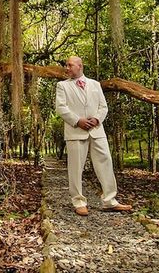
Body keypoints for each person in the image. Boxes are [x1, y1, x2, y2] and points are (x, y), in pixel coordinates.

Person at [55, 56, 132, 216]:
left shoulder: (95, 84)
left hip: (97, 131)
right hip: (76, 132)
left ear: (80, 66)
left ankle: (110, 201)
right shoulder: (62, 86)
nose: (66, 68)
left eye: (69, 65)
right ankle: (79, 201)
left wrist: (97, 118)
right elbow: (61, 108)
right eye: (66, 65)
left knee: (106, 162)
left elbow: (103, 107)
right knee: (76, 168)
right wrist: (78, 121)